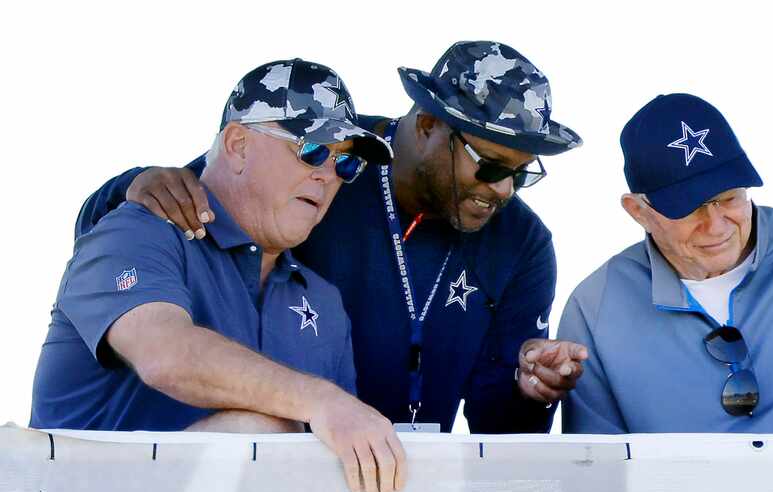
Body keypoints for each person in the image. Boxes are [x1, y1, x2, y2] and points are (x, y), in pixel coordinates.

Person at [75, 41, 589, 433]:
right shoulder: (329, 151)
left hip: (376, 479)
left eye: (521, 173)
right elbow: (197, 196)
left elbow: (498, 434)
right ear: (428, 125)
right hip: (284, 454)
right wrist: (129, 184)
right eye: (490, 165)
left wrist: (532, 392)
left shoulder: (523, 241)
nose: (502, 190)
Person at [31, 59, 407, 492]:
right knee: (259, 431)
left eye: (346, 165)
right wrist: (322, 401)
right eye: (313, 149)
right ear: (238, 144)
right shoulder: (137, 232)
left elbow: (340, 472)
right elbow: (165, 355)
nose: (327, 174)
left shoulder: (323, 303)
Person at [560, 92, 773, 434]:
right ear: (638, 211)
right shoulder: (594, 309)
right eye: (688, 208)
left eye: (729, 197)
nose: (716, 226)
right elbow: (596, 471)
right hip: (674, 489)